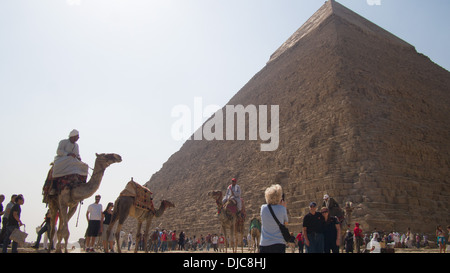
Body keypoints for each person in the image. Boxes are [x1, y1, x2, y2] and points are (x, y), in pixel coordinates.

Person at [259, 184, 288, 253]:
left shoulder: (263, 208)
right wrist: (283, 207)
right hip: (279, 244)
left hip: (265, 244)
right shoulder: (282, 209)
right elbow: (285, 224)